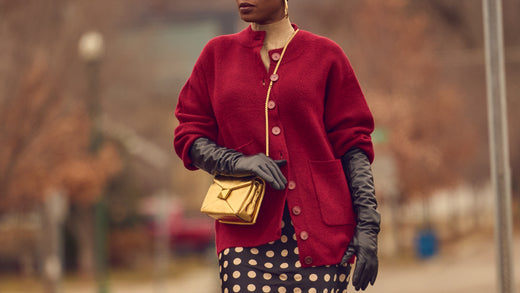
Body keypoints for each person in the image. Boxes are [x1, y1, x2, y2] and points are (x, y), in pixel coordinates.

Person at [174, 0, 380, 292]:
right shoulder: (216, 55)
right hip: (243, 237)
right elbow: (189, 134)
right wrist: (237, 162)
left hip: (323, 238)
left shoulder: (326, 55)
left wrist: (368, 227)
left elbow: (354, 146)